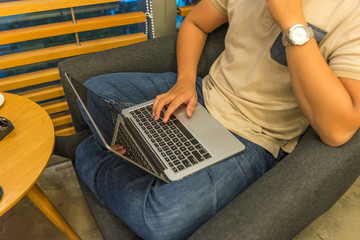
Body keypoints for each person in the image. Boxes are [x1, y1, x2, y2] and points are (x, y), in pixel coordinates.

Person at [74, 0, 360, 239]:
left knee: (161, 221)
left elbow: (337, 130)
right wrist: (185, 82)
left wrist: (292, 23)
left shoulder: (352, 13)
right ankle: (156, 158)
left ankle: (87, 152)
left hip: (254, 136)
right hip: (203, 95)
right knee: (96, 91)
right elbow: (196, 24)